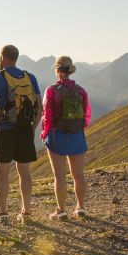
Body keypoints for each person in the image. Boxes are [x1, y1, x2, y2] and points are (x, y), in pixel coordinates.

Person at [0, 45, 42, 224]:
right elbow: (39, 107)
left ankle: (3, 213)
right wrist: (32, 129)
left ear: (1, 57)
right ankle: (27, 212)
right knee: (24, 172)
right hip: (24, 129)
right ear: (16, 58)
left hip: (4, 130)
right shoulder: (30, 77)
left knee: (3, 173)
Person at [41, 56, 91, 219]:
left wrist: (44, 133)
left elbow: (46, 115)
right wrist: (77, 128)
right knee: (78, 175)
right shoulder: (81, 91)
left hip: (57, 135)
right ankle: (80, 207)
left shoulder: (51, 90)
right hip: (76, 134)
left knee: (59, 176)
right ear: (70, 71)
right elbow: (87, 116)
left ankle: (61, 210)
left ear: (57, 70)